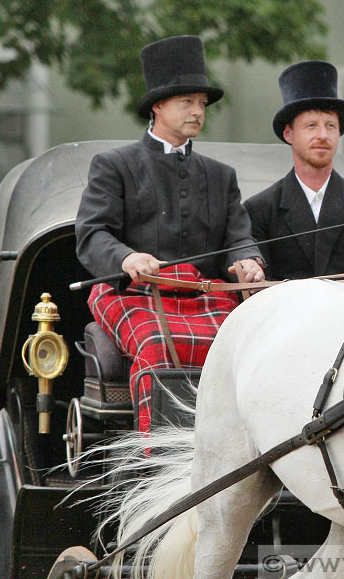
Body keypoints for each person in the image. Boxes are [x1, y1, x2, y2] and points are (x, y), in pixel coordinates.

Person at [75, 35, 263, 431]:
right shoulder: (113, 165)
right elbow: (92, 234)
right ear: (158, 106)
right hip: (131, 293)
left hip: (203, 295)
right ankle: (158, 456)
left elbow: (239, 237)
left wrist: (247, 261)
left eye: (202, 103)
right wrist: (127, 258)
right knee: (159, 344)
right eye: (187, 102)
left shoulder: (221, 175)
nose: (198, 111)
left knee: (241, 349)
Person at [243, 60, 344, 280]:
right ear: (289, 134)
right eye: (311, 125)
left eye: (330, 125)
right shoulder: (260, 209)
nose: (322, 135)